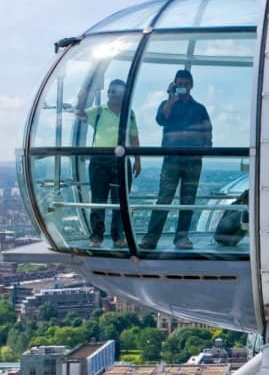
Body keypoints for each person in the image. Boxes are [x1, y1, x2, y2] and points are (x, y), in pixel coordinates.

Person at [141, 69, 212, 250]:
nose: (183, 87)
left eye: (186, 84)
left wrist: (204, 150)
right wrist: (171, 99)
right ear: (174, 84)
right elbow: (161, 120)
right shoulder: (167, 104)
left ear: (191, 86)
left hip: (193, 160)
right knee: (164, 197)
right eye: (179, 84)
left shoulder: (199, 108)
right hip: (172, 159)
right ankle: (151, 238)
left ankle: (181, 238)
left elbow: (207, 130)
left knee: (188, 200)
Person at [75, 78, 139, 247]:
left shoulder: (129, 114)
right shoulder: (98, 111)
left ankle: (118, 237)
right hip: (99, 160)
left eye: (115, 91)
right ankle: (97, 236)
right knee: (98, 199)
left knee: (120, 201)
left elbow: (134, 138)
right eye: (110, 91)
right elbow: (80, 114)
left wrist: (137, 160)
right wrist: (80, 100)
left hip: (121, 160)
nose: (112, 94)